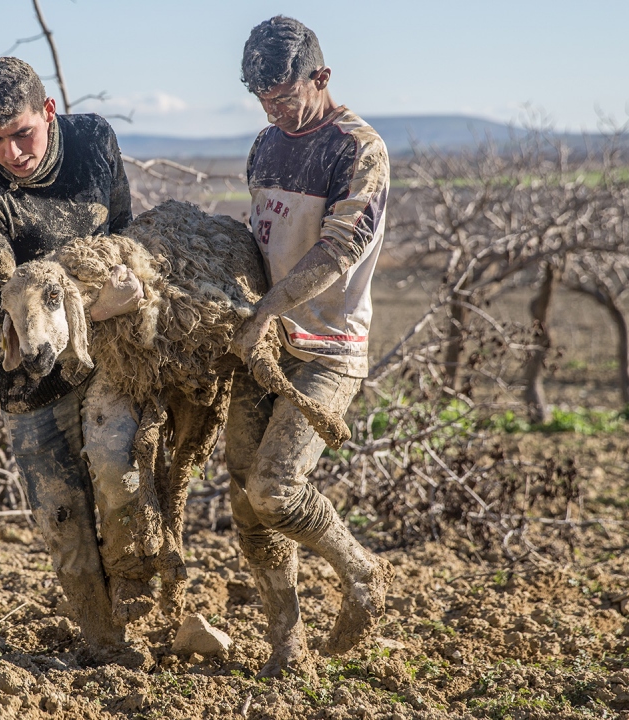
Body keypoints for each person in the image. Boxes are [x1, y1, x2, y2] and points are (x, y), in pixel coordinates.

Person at [0, 57, 155, 666]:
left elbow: (125, 235)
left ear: (48, 110)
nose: (11, 153)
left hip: (111, 355)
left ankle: (142, 608)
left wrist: (127, 295)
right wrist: (98, 304)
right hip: (32, 376)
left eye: (22, 134)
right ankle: (102, 646)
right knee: (63, 517)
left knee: (121, 473)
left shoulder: (94, 142)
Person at [227, 16, 395, 677]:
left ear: (320, 77)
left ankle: (362, 572)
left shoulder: (359, 150)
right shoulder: (265, 146)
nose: (272, 111)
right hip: (262, 342)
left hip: (328, 346)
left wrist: (267, 310)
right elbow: (259, 240)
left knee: (275, 487)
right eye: (261, 99)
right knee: (246, 498)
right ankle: (286, 643)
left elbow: (338, 250)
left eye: (283, 95)